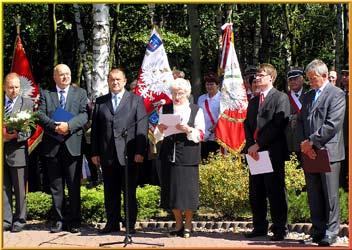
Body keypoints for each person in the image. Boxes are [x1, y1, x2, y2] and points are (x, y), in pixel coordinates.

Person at [91, 68, 148, 234]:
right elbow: (95, 129)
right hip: (107, 153)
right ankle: (112, 223)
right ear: (108, 82)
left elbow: (141, 127)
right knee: (110, 192)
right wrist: (94, 152)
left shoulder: (135, 100)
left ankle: (130, 225)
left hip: (129, 154)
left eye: (118, 80)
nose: (115, 82)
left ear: (124, 81)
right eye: (112, 80)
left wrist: (140, 151)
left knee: (129, 192)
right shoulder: (101, 101)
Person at [297, 59, 346, 246]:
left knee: (330, 195)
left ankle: (331, 232)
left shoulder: (337, 94)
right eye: (309, 78)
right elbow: (300, 120)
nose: (310, 82)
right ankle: (317, 230)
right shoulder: (308, 96)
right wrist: (304, 143)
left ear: (325, 76)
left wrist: (312, 141)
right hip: (309, 151)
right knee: (314, 193)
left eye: (313, 78)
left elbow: (333, 124)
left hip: (328, 151)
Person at [37, 64, 88, 233]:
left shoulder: (80, 93)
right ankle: (59, 220)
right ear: (55, 77)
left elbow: (84, 115)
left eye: (68, 74)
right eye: (61, 75)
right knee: (56, 186)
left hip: (73, 145)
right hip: (52, 146)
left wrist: (69, 125)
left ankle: (74, 221)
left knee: (74, 186)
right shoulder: (46, 93)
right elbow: (40, 115)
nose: (65, 77)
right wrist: (55, 126)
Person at [243, 63, 290, 241]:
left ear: (271, 77)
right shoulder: (254, 100)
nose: (257, 78)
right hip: (255, 153)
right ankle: (259, 226)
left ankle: (280, 228)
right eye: (256, 75)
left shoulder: (280, 98)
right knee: (257, 191)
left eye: (261, 75)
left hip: (272, 152)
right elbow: (247, 125)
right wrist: (250, 146)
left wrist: (259, 144)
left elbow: (278, 125)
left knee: (275, 191)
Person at [155, 78, 205, 238]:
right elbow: (156, 136)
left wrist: (188, 129)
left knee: (188, 192)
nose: (177, 96)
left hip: (188, 155)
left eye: (180, 93)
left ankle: (189, 223)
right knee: (172, 191)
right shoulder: (165, 108)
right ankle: (178, 224)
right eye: (174, 93)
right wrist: (160, 129)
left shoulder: (196, 109)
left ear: (187, 93)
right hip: (169, 154)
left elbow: (201, 134)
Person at [3, 73, 34, 232]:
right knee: (3, 188)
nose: (14, 90)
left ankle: (20, 220)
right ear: (4, 88)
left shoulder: (27, 103)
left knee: (20, 188)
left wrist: (15, 135)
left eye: (16, 87)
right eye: (10, 87)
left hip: (18, 151)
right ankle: (6, 220)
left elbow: (31, 128)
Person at [197, 72, 221, 160]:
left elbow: (223, 116)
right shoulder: (201, 98)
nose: (209, 86)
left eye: (212, 84)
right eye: (207, 84)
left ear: (218, 85)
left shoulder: (222, 98)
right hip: (204, 136)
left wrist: (213, 128)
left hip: (217, 136)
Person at [285, 68, 305, 162]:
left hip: (306, 142)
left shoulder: (310, 95)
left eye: (296, 78)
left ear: (302, 79)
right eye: (290, 79)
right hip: (289, 142)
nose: (293, 81)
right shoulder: (284, 97)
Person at [340, 68, 349, 191]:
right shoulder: (339, 94)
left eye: (347, 74)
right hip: (341, 141)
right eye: (342, 74)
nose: (344, 77)